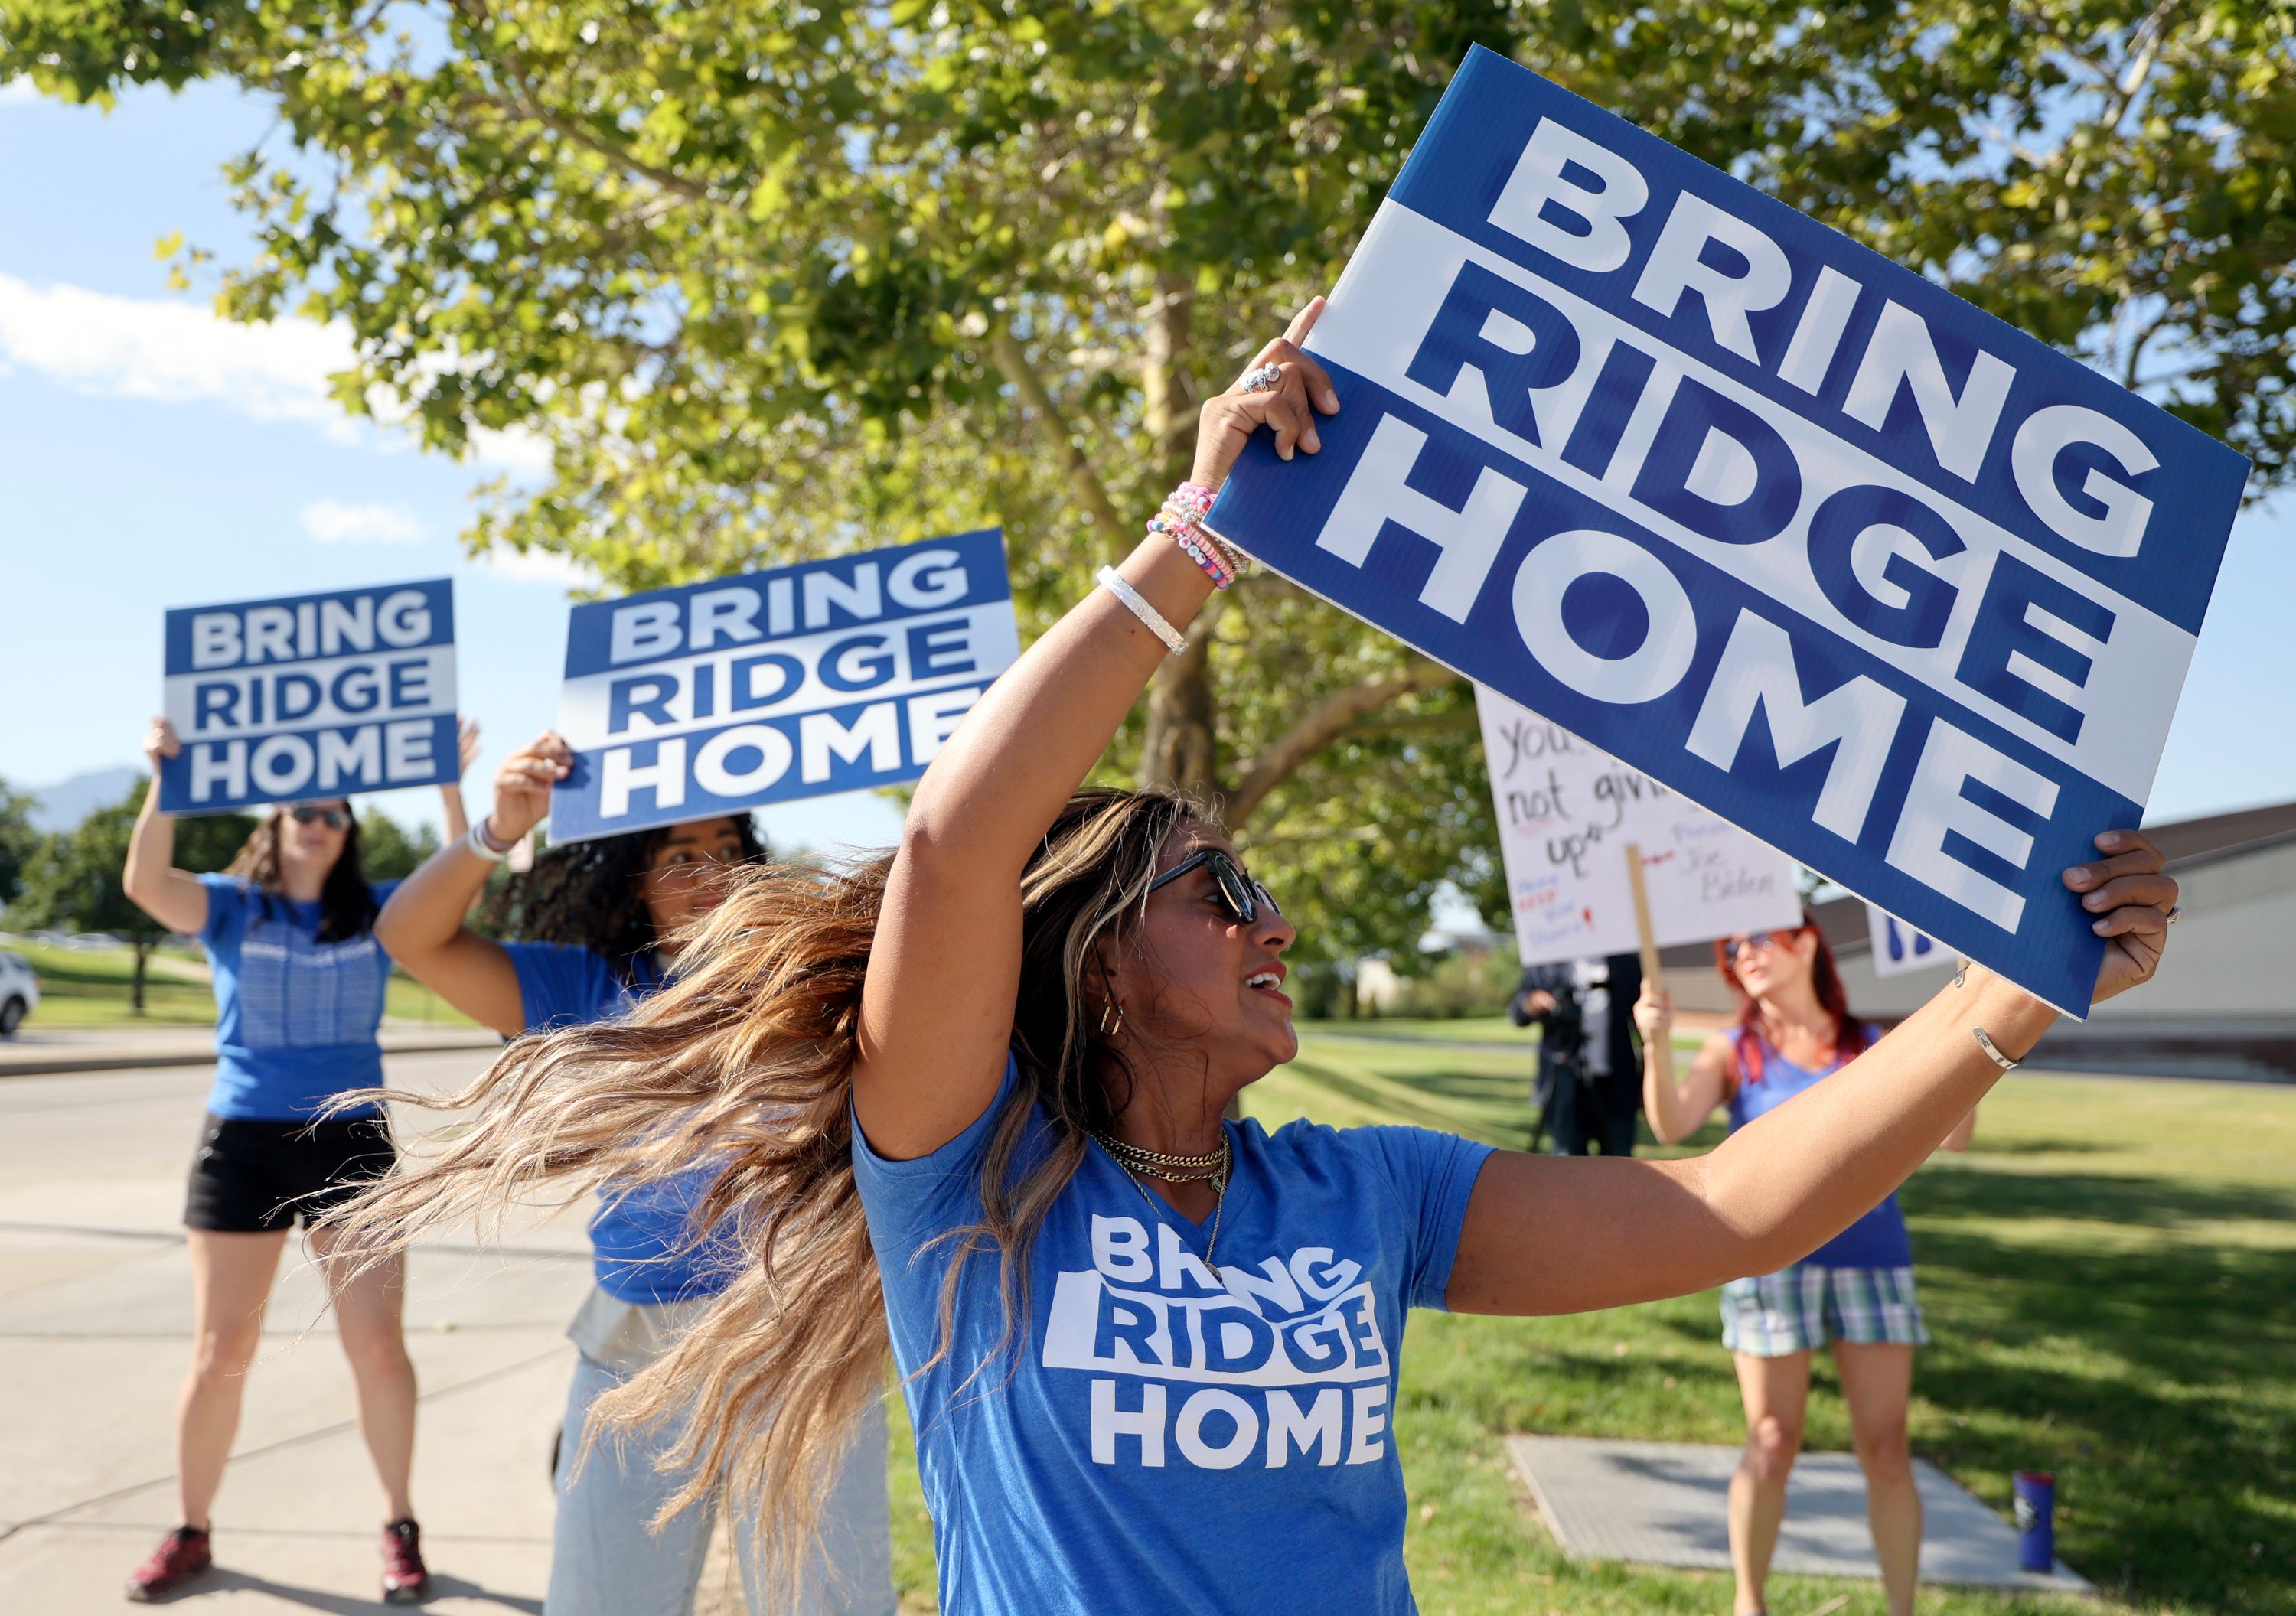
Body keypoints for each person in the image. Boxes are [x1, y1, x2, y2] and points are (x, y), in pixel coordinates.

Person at [326, 302, 2180, 1614]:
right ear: (1102, 967)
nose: (1275, 920)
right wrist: (1196, 535)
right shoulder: (964, 1170)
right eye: (1219, 892)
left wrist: (2007, 992)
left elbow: (1725, 1211)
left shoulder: (1366, 1193)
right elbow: (962, 847)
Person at [368, 744, 895, 1616]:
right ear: (634, 884)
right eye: (680, 855)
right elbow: (407, 936)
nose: (712, 871)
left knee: (827, 1606)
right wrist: (502, 826)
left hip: (800, 1339)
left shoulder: (818, 976)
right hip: (632, 1346)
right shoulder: (582, 987)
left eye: (729, 846)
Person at [118, 715, 475, 1603]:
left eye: (335, 810)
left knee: (378, 1350)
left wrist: (447, 786)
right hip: (241, 1144)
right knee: (219, 1353)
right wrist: (167, 778)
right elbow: (142, 880)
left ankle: (400, 1527)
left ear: (350, 830)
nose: (318, 819)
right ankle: (191, 1529)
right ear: (275, 823)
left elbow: (466, 891)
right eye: (301, 808)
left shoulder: (382, 914)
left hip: (350, 1143)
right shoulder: (231, 906)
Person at [1637, 919, 1978, 1616]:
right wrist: (1655, 1039)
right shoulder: (1734, 1050)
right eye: (1733, 947)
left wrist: (1975, 1011)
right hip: (1768, 1267)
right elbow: (1672, 1126)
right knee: (1770, 1441)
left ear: (1808, 944)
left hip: (1872, 1263)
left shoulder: (1871, 1046)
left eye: (1762, 938)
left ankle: (1901, 1609)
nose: (1745, 953)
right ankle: (1749, 1603)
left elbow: (1957, 1135)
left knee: (1886, 1447)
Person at [1510, 952, 1642, 1155]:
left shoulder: (1625, 960)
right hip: (1564, 1080)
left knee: (1620, 1164)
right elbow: (1518, 1011)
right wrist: (1532, 1002)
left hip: (1617, 1083)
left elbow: (1641, 1022)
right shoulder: (1548, 959)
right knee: (1567, 1165)